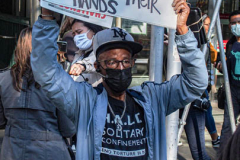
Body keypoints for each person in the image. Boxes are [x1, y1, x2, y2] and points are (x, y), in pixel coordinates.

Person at [31, 0, 208, 159]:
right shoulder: (85, 101)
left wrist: (183, 32)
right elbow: (46, 72)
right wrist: (47, 17)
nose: (121, 67)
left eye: (125, 61)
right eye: (111, 62)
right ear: (98, 67)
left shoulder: (153, 98)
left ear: (133, 62)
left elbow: (196, 81)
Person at [0, 27, 76, 160]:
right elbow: (68, 128)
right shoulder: (58, 80)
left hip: (12, 150)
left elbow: (1, 121)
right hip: (50, 150)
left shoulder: (3, 79)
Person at [216, 10, 240, 157]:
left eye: (238, 21)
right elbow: (222, 63)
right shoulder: (230, 44)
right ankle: (223, 155)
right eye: (233, 23)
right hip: (233, 92)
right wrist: (220, 64)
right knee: (227, 127)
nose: (236, 25)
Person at [203, 15, 221, 147]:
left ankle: (215, 138)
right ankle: (215, 138)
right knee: (206, 110)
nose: (208, 27)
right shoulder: (198, 41)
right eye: (206, 24)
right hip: (197, 84)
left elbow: (214, 59)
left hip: (204, 84)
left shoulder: (207, 42)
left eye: (209, 24)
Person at [69, 19, 103, 87]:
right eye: (74, 34)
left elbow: (94, 63)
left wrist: (82, 66)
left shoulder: (103, 52)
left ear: (93, 30)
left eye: (79, 32)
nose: (76, 37)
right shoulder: (79, 54)